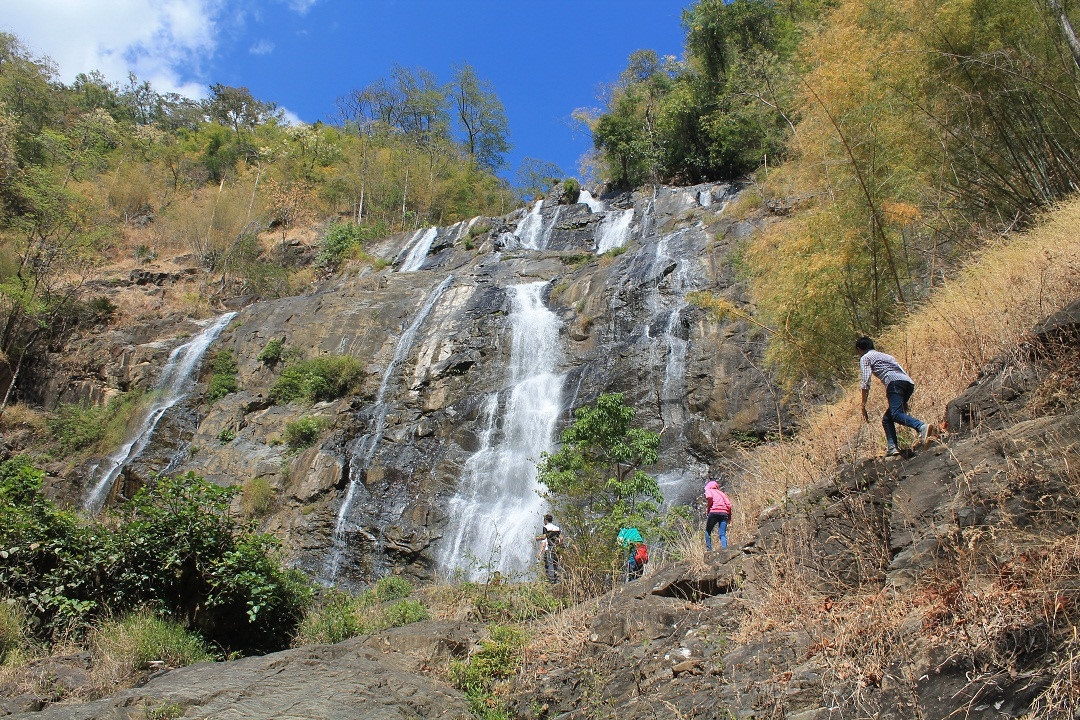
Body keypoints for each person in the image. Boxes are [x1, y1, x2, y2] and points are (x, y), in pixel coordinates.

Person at [856, 336, 931, 457]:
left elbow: (866, 381)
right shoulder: (886, 356)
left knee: (895, 414)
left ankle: (921, 426)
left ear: (859, 349)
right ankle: (892, 448)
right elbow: (900, 370)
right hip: (908, 383)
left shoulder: (865, 357)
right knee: (888, 418)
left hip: (894, 383)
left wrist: (863, 405)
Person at [703, 479, 732, 551]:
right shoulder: (721, 493)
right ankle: (725, 549)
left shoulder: (709, 490)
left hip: (714, 512)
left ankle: (709, 550)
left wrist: (709, 507)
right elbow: (729, 505)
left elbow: (709, 497)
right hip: (724, 513)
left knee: (708, 531)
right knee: (722, 533)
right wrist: (729, 517)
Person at [535, 513, 561, 583]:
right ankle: (556, 578)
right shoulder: (557, 528)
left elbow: (544, 537)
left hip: (550, 547)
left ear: (546, 520)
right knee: (555, 562)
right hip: (557, 547)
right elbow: (561, 538)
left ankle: (550, 580)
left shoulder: (545, 527)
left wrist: (538, 538)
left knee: (548, 563)